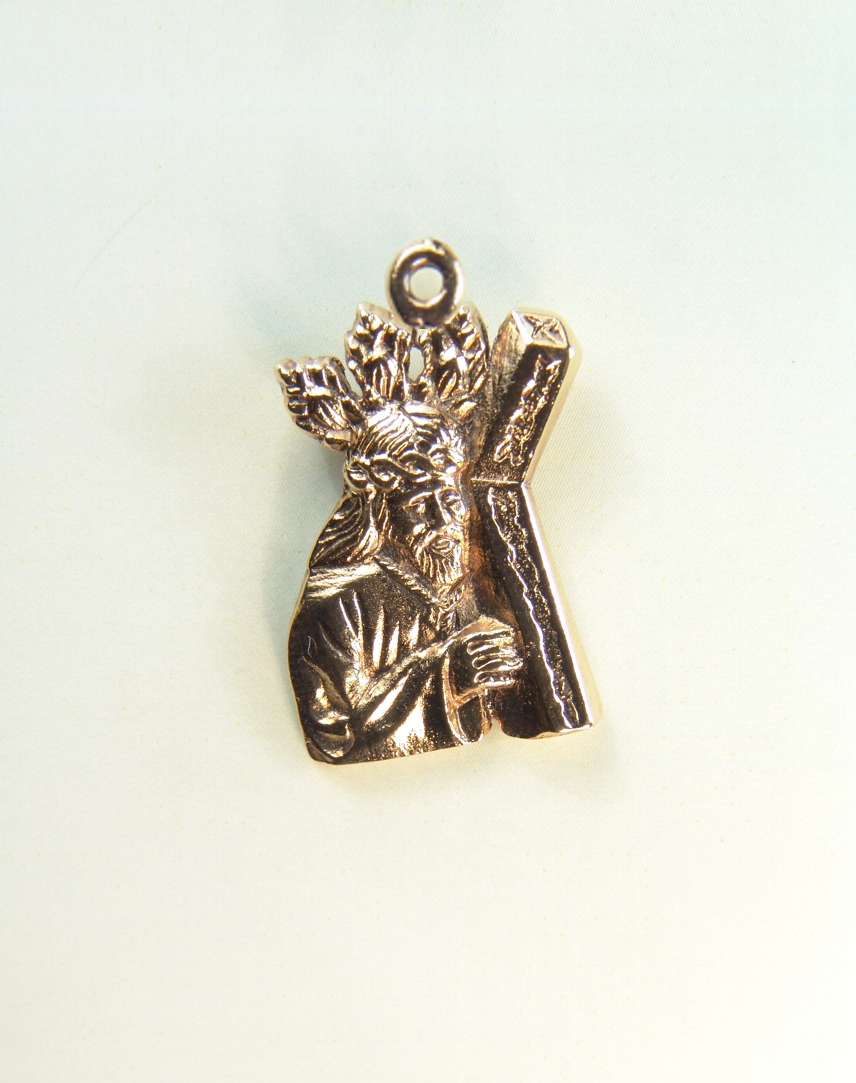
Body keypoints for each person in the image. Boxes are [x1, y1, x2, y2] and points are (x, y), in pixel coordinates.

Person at [288, 399, 522, 763]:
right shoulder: (337, 606)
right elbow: (336, 741)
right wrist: (450, 676)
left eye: (450, 497)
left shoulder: (456, 586)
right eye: (419, 504)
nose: (442, 520)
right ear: (380, 512)